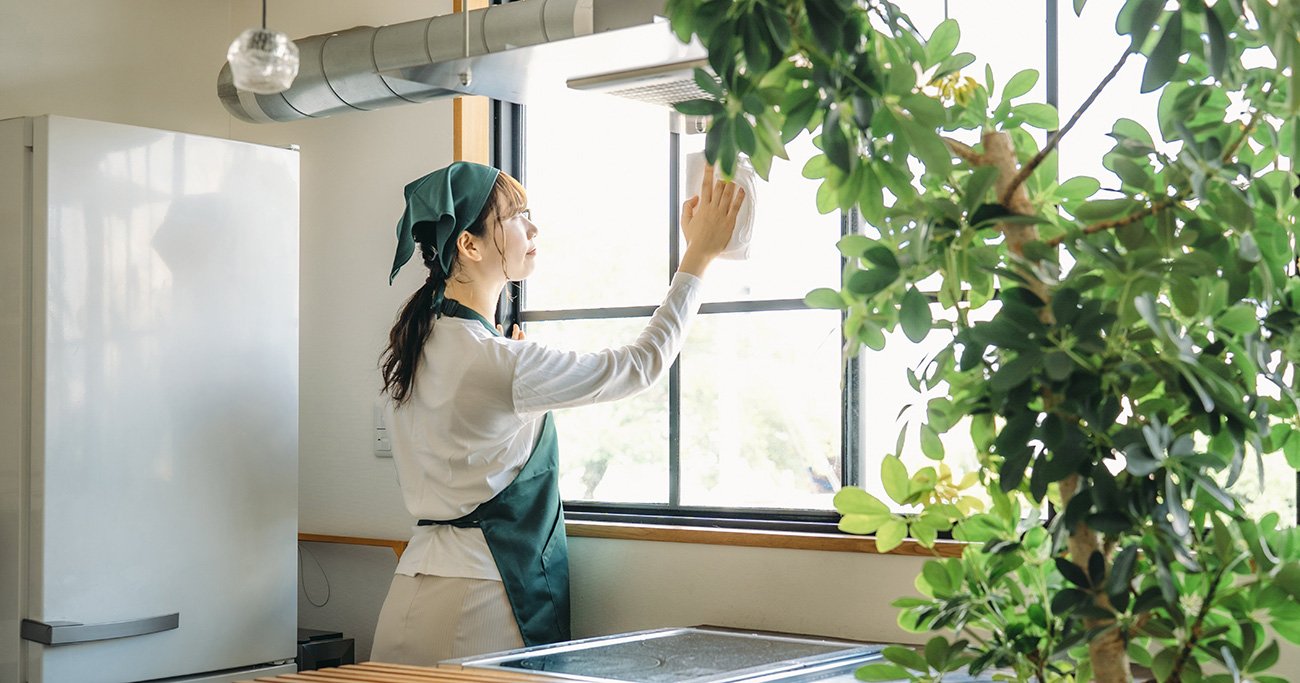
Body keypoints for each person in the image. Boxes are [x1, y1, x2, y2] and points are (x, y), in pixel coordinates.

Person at [370, 160, 745, 664]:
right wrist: (698, 257)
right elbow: (638, 366)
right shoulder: (495, 361)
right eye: (517, 215)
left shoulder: (418, 346)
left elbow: (474, 442)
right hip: (478, 601)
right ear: (470, 244)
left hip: (411, 588)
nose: (533, 227)